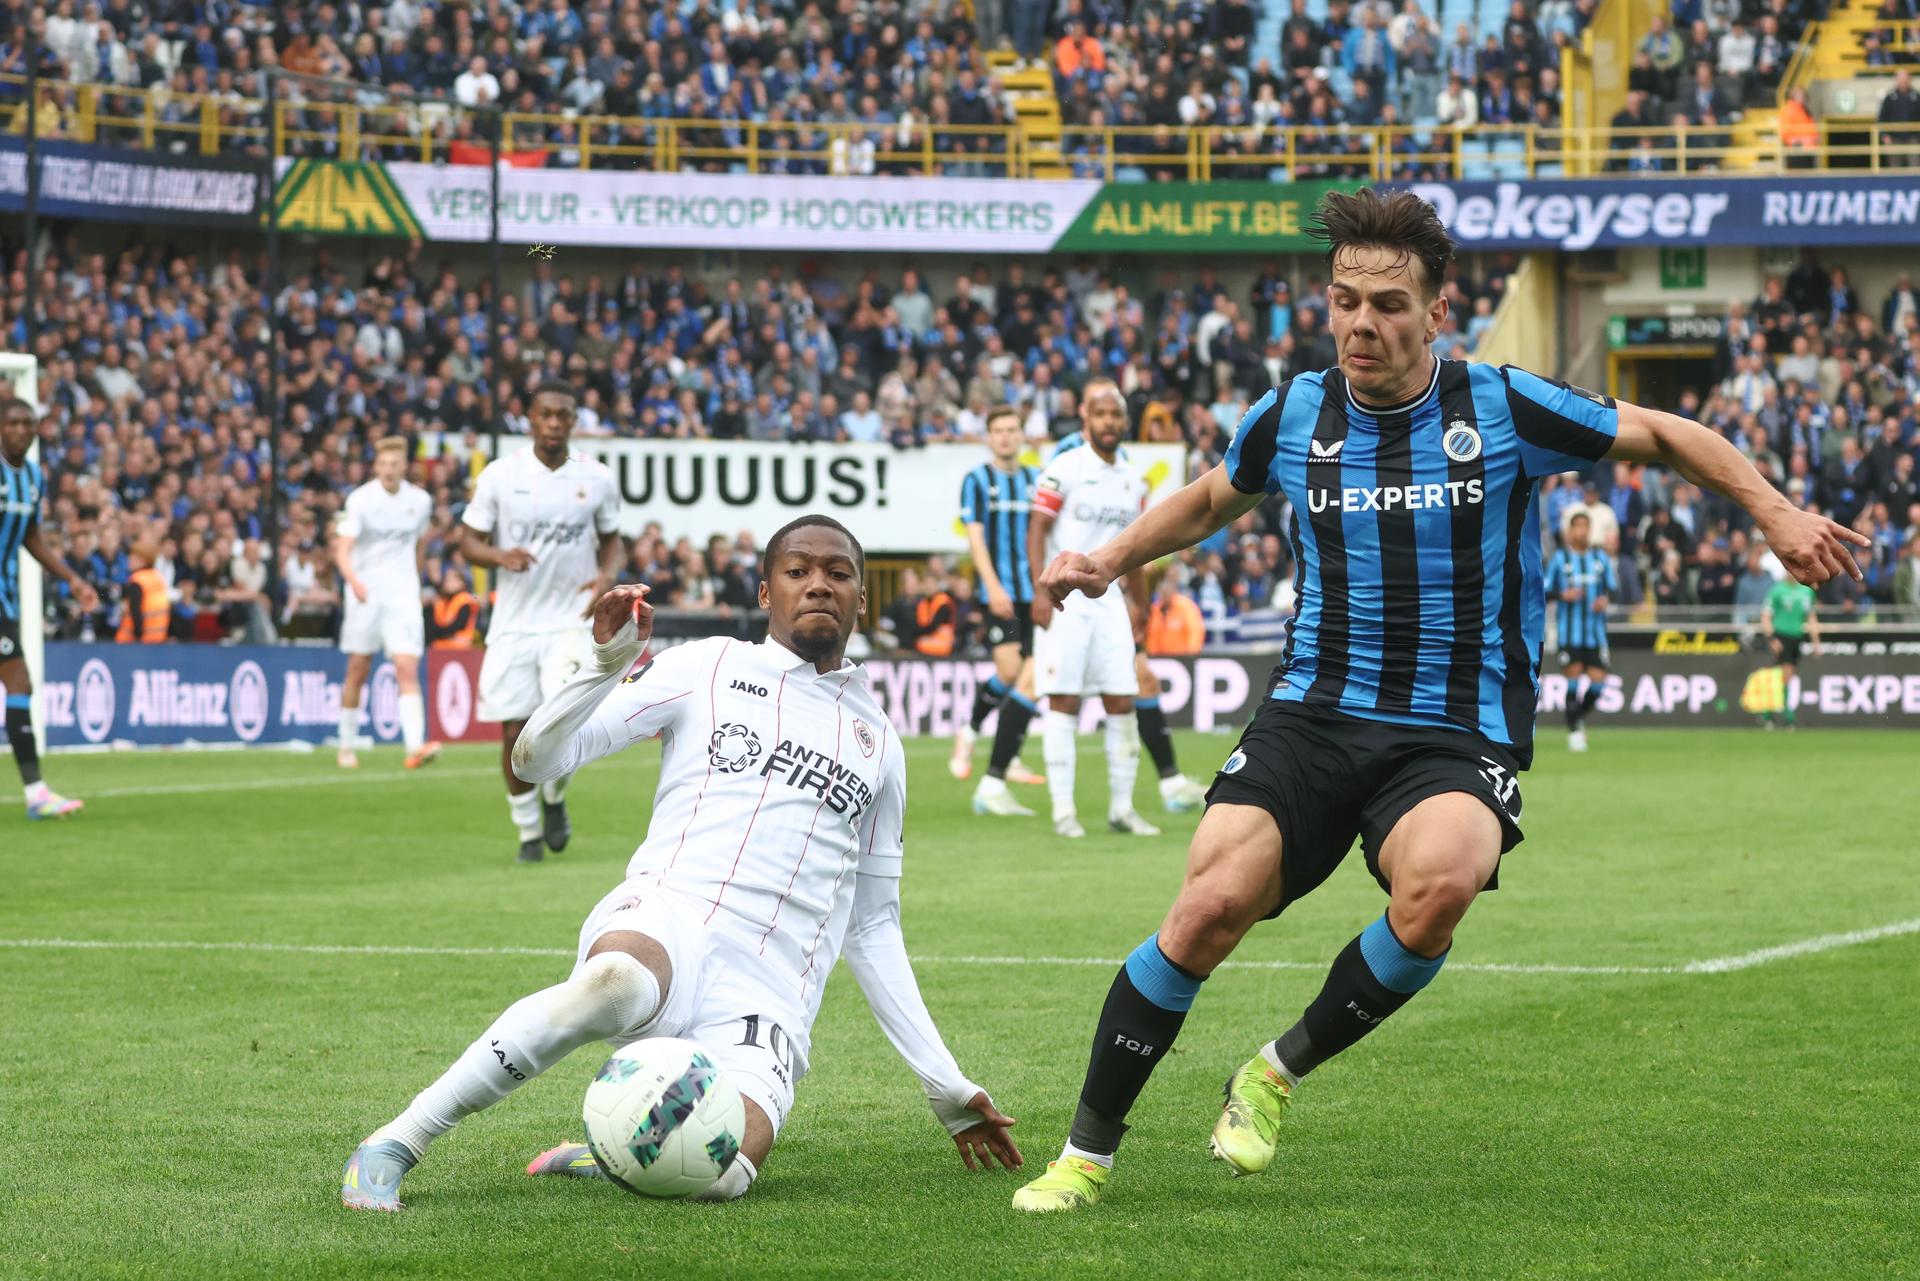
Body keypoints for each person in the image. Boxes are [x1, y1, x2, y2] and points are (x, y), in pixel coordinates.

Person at [1010, 187, 1866, 1212]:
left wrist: (1773, 510)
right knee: (1208, 905)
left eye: (1388, 304)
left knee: (1442, 883)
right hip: (1315, 710)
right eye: (1345, 302)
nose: (1362, 324)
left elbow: (1666, 432)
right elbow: (1206, 500)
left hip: (1455, 725)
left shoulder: (1502, 406)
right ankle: (1084, 1156)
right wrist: (1107, 558)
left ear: (1435, 311)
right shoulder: (1293, 413)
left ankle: (1274, 1072)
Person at [340, 516, 1021, 1210]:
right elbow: (537, 762)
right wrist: (603, 667)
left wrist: (945, 1082)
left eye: (838, 573)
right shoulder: (708, 666)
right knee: (613, 980)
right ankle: (396, 1141)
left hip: (770, 990)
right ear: (766, 592)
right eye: (797, 571)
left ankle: (615, 1152)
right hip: (674, 915)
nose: (818, 584)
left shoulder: (880, 743)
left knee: (718, 1178)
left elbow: (872, 926)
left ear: (861, 598)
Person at [459, 380, 623, 862]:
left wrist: (605, 577)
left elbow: (612, 540)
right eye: (545, 414)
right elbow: (468, 542)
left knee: (562, 726)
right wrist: (498, 556)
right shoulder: (500, 475)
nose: (553, 423)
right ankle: (529, 833)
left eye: (562, 415)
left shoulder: (597, 478)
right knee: (514, 732)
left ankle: (553, 795)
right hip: (513, 625)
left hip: (571, 621)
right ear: (530, 418)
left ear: (574, 420)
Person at [1028, 380, 1161, 839]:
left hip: (1111, 604)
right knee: (1063, 700)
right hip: (1065, 601)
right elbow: (1037, 529)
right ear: (1086, 418)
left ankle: (1122, 809)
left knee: (1122, 699)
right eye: (1101, 414)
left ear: (1124, 421)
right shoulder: (1064, 468)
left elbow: (1137, 547)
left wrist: (1140, 602)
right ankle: (1064, 811)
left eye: (1115, 415)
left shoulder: (1132, 479)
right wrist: (1040, 591)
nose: (1109, 422)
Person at [0, 395, 99, 820]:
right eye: (13, 422)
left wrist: (72, 579)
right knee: (18, 682)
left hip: (5, 599)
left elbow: (31, 536)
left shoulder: (33, 477)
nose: (22, 430)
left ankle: (37, 793)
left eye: (29, 423)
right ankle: (36, 793)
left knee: (20, 684)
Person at [956, 405, 1048, 813]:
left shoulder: (1036, 479)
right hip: (1001, 593)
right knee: (1013, 672)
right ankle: (974, 733)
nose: (1006, 436)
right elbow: (975, 539)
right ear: (989, 437)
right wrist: (992, 586)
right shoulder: (977, 480)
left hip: (1036, 595)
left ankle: (1003, 757)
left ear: (1022, 435)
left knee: (1028, 676)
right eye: (999, 430)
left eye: (1012, 429)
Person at [334, 436, 440, 770]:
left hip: (402, 595)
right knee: (358, 668)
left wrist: (414, 582)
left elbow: (419, 546)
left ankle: (415, 747)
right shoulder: (361, 499)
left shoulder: (420, 501)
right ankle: (346, 745)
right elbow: (342, 549)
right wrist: (353, 581)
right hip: (365, 593)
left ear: (404, 466)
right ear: (376, 466)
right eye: (383, 464)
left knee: (406, 667)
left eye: (394, 464)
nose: (388, 470)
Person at [1543, 508, 1617, 752]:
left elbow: (1613, 589)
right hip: (1569, 633)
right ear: (1570, 531)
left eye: (1586, 527)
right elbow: (1544, 590)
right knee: (1573, 681)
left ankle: (1576, 718)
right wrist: (1562, 595)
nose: (1582, 532)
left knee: (1598, 683)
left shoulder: (1600, 558)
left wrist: (1605, 599)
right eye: (1578, 527)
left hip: (1595, 634)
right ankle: (1575, 732)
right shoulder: (1560, 558)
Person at [1761, 573, 1820, 729]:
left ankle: (1768, 714)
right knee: (1785, 673)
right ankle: (1788, 715)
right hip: (1781, 636)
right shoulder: (1777, 590)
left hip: (1796, 637)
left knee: (1787, 675)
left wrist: (1816, 642)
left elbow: (1811, 617)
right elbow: (1766, 616)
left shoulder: (1806, 591)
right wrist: (1772, 638)